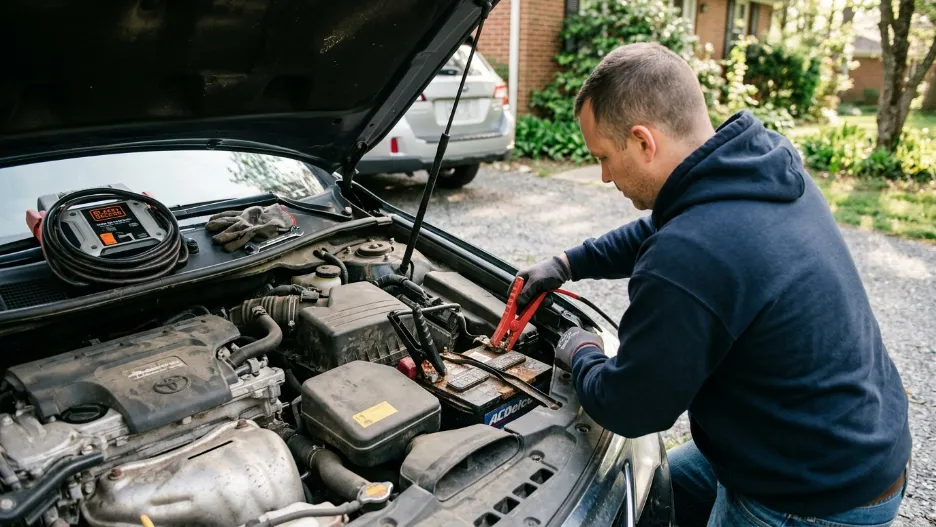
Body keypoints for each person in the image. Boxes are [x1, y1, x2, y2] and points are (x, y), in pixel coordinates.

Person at [514, 42, 911, 526]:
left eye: (604, 157)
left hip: (809, 494)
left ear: (643, 141)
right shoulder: (758, 167)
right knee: (643, 489)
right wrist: (568, 262)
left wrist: (580, 351)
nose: (602, 176)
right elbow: (661, 227)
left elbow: (632, 408)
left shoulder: (689, 254)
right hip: (846, 438)